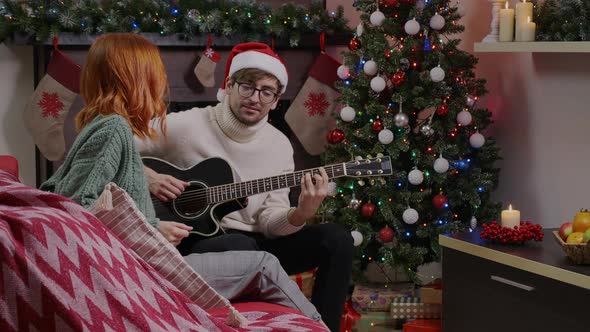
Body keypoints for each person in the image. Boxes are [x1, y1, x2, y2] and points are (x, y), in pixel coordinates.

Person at [39, 33, 322, 324]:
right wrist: (152, 228)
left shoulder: (107, 125)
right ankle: (319, 327)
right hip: (140, 270)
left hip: (144, 259)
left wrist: (300, 212)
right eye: (156, 73)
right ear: (136, 79)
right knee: (263, 264)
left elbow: (67, 191)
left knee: (266, 258)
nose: (161, 83)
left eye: (267, 92)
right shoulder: (114, 129)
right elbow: (76, 212)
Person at [136, 42, 353, 332]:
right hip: (198, 238)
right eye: (247, 87)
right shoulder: (186, 125)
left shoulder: (279, 145)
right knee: (240, 246)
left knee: (337, 238)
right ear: (228, 86)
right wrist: (149, 175)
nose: (255, 98)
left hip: (258, 244)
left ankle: (322, 328)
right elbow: (116, 144)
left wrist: (300, 214)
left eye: (267, 91)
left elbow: (269, 220)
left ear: (276, 100)